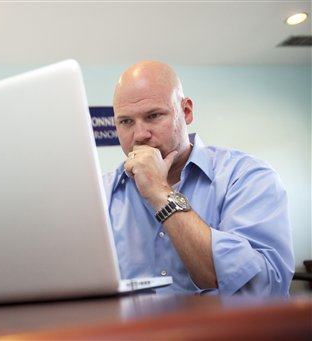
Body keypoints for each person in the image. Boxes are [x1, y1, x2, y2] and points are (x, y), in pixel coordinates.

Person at [103, 60, 295, 295]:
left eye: (153, 116)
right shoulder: (100, 193)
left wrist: (160, 193)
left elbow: (264, 291)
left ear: (186, 112)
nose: (140, 135)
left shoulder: (247, 177)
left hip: (227, 332)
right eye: (126, 122)